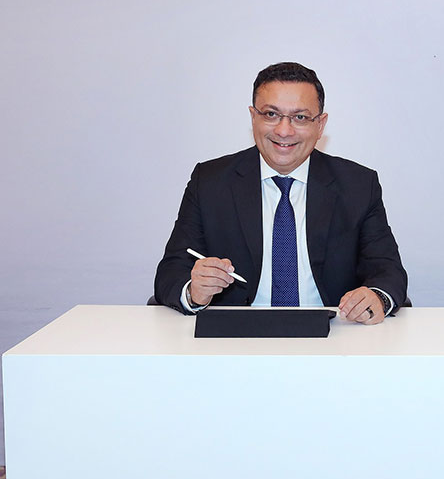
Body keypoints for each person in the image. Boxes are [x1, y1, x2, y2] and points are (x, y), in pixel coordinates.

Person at [154, 62, 407, 324]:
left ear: (320, 125)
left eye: (300, 117)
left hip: (331, 334)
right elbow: (171, 272)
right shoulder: (209, 182)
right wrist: (194, 292)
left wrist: (377, 296)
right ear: (253, 117)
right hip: (236, 335)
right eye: (271, 114)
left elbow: (388, 271)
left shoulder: (358, 185)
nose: (283, 131)